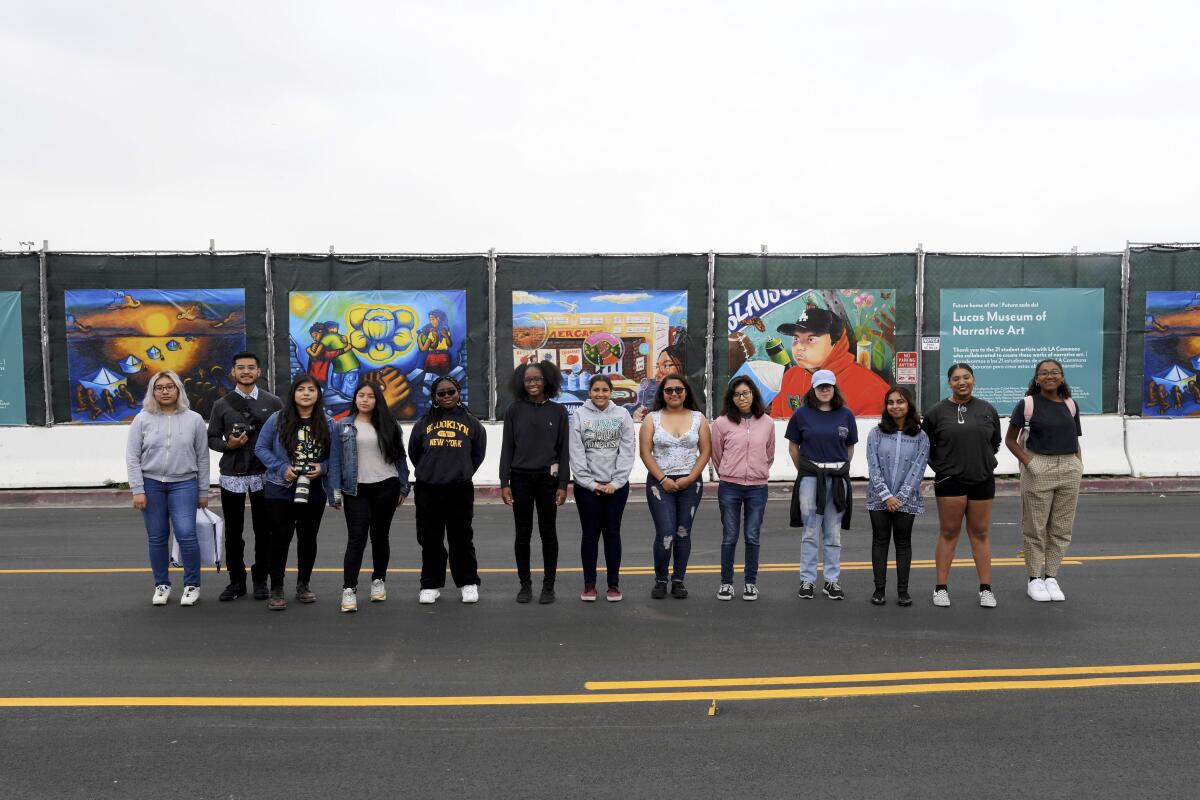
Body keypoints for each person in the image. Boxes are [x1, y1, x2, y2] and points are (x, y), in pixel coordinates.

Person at [254, 375, 340, 610]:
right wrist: (282, 468)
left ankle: (303, 585)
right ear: (293, 394)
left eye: (311, 390)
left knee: (307, 539)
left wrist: (322, 468)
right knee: (280, 539)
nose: (305, 393)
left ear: (318, 394)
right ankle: (277, 588)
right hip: (280, 489)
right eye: (300, 389)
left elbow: (337, 458)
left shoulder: (329, 423)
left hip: (314, 491)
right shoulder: (277, 419)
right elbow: (260, 447)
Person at [126, 370, 210, 607]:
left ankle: (192, 585)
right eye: (159, 387)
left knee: (186, 533)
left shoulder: (194, 419)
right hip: (151, 484)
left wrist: (203, 491)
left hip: (184, 483)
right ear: (153, 391)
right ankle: (161, 585)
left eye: (169, 386)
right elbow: (132, 457)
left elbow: (202, 457)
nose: (165, 391)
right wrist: (137, 490)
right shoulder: (142, 419)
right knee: (157, 536)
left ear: (178, 390)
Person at [922, 363, 1002, 609]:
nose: (961, 382)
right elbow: (925, 445)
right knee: (949, 533)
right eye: (956, 379)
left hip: (982, 479)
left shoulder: (987, 409)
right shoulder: (937, 412)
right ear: (949, 383)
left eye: (966, 377)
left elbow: (995, 442)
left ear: (974, 380)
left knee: (980, 533)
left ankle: (986, 589)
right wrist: (942, 469)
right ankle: (941, 588)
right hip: (950, 480)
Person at [1004, 359, 1083, 603]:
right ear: (1037, 379)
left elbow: (1075, 437)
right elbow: (1010, 440)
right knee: (1035, 529)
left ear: (1062, 376)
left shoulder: (1070, 404)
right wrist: (1030, 463)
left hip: (1069, 467)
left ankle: (1051, 576)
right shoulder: (1027, 404)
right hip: (1039, 466)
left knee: (1061, 529)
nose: (1050, 376)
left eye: (1055, 372)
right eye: (1044, 373)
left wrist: (1079, 464)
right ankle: (1034, 579)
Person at [206, 351, 283, 601]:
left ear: (259, 372)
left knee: (264, 531)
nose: (246, 372)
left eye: (251, 367)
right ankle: (236, 581)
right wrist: (230, 445)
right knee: (233, 533)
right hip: (233, 473)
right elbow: (212, 438)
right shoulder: (221, 404)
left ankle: (261, 579)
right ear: (233, 372)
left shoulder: (273, 402)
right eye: (241, 368)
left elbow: (283, 437)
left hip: (265, 473)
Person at [329, 382, 411, 613]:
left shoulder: (389, 424)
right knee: (356, 538)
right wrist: (334, 491)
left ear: (378, 400)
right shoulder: (343, 425)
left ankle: (378, 581)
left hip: (387, 486)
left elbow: (400, 457)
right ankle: (349, 590)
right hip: (356, 490)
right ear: (355, 398)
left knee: (380, 536)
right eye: (360, 395)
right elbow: (335, 460)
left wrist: (404, 486)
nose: (364, 399)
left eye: (370, 396)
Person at [408, 375, 487, 604]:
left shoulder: (472, 423)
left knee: (461, 538)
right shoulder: (424, 422)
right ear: (434, 397)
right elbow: (415, 453)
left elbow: (477, 455)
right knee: (430, 539)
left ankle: (468, 582)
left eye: (450, 392)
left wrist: (462, 472)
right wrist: (430, 470)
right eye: (441, 393)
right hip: (428, 489)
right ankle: (431, 584)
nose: (446, 396)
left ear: (458, 392)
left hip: (459, 489)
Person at [500, 361, 570, 604]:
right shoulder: (513, 410)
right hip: (520, 479)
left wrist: (563, 484)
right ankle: (525, 584)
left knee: (548, 533)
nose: (532, 383)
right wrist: (504, 482)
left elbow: (563, 452)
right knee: (522, 534)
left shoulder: (558, 412)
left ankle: (548, 585)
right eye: (528, 379)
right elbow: (507, 448)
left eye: (537, 379)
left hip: (548, 480)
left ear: (546, 381)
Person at [786, 369, 857, 601]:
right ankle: (807, 580)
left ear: (835, 387)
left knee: (833, 532)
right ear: (813, 389)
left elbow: (849, 447)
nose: (824, 390)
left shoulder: (845, 414)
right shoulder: (801, 414)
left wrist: (839, 468)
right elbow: (793, 448)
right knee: (810, 530)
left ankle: (831, 581)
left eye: (828, 385)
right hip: (810, 478)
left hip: (837, 479)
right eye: (820, 386)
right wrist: (807, 471)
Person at [639, 373, 711, 600]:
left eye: (678, 389)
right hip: (660, 484)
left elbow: (706, 451)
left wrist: (691, 478)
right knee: (665, 533)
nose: (674, 394)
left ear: (686, 392)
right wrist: (663, 479)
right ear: (662, 394)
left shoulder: (699, 418)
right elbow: (645, 452)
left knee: (683, 532)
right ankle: (661, 579)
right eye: (668, 390)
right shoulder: (652, 419)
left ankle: (678, 579)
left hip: (690, 483)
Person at [568, 374, 637, 602]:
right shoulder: (579, 415)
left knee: (612, 534)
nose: (600, 394)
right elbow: (576, 453)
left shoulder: (622, 415)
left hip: (616, 489)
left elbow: (627, 451)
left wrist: (615, 483)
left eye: (604, 390)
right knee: (589, 536)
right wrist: (591, 483)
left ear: (611, 392)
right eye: (596, 390)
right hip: (587, 489)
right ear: (589, 392)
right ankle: (589, 586)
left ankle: (613, 585)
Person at [710, 376, 775, 601]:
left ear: (753, 394)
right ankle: (726, 583)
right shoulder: (721, 423)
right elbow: (717, 455)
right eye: (737, 394)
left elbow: (769, 453)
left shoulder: (767, 422)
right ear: (731, 398)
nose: (742, 398)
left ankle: (750, 583)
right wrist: (728, 472)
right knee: (729, 536)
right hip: (730, 486)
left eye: (746, 393)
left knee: (752, 536)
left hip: (758, 488)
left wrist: (758, 471)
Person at [865, 386, 930, 607]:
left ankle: (903, 591)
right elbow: (873, 466)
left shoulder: (921, 437)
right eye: (891, 402)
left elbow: (918, 469)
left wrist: (900, 497)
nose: (895, 406)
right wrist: (886, 495)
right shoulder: (876, 433)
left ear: (908, 405)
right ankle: (879, 590)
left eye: (900, 402)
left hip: (906, 499)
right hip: (879, 497)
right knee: (880, 541)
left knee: (903, 543)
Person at [769, 307, 889, 417]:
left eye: (811, 339)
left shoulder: (871, 387)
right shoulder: (790, 377)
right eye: (796, 338)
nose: (799, 346)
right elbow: (776, 425)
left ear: (836, 342)